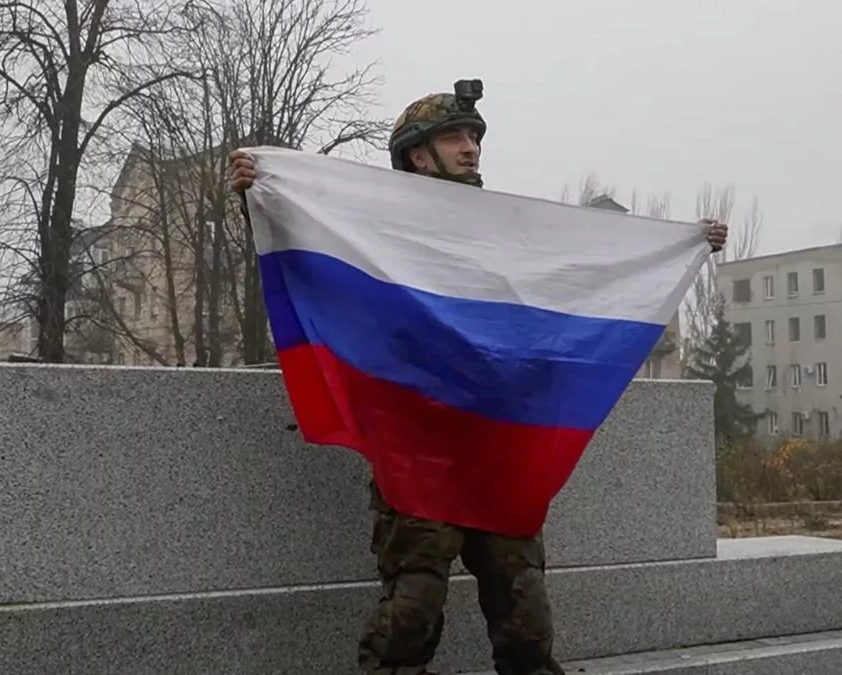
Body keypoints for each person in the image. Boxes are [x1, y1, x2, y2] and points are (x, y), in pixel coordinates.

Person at [229, 82, 728, 675]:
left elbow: (582, 266)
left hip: (497, 451)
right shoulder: (377, 224)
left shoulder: (505, 232)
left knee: (527, 621)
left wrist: (684, 244)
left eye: (473, 137)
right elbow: (307, 238)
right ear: (418, 154)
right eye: (454, 136)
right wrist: (256, 192)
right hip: (419, 450)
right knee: (411, 614)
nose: (470, 148)